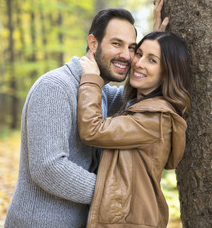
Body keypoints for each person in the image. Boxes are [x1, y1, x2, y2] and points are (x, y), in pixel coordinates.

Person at [5, 0, 169, 227]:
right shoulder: (55, 87)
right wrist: (116, 194)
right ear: (93, 43)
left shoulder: (97, 90)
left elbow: (138, 99)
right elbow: (48, 168)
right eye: (116, 44)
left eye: (132, 48)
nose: (126, 55)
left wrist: (154, 47)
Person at [77, 31, 191, 228]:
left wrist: (90, 79)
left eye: (152, 60)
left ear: (167, 72)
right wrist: (158, 35)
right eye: (139, 54)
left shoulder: (155, 118)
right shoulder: (141, 105)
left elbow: (92, 130)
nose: (138, 63)